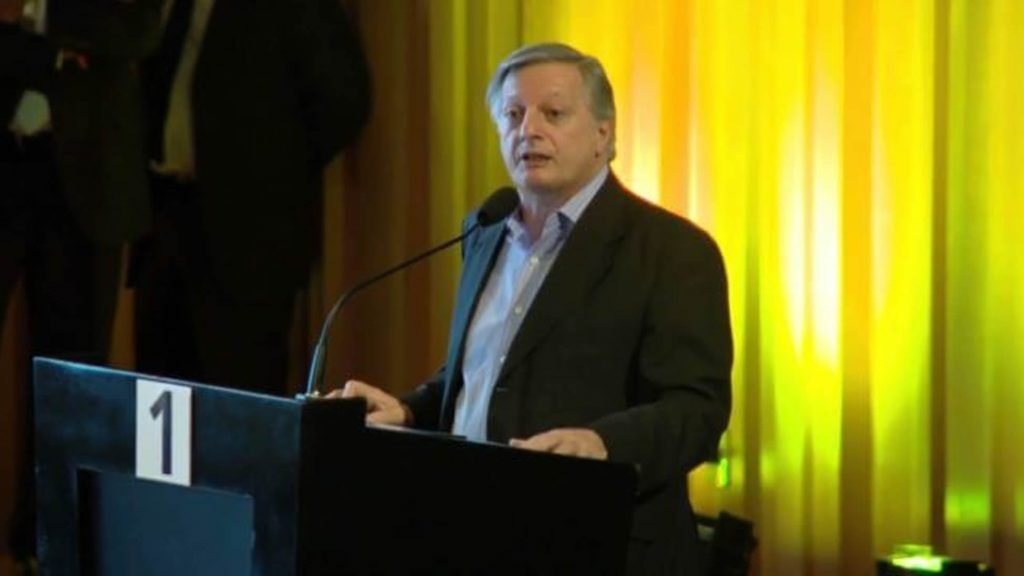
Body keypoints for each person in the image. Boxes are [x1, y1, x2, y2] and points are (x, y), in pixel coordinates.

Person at [331, 43, 733, 575]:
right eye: (513, 114)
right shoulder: (485, 230)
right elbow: (483, 373)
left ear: (603, 133)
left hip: (600, 541)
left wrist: (601, 443)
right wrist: (409, 411)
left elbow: (697, 410)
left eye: (554, 113)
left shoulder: (672, 251)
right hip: (473, 532)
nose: (529, 130)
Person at [133, 0, 372, 395]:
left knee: (240, 392)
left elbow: (346, 100)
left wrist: (275, 174)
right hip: (167, 219)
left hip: (249, 239)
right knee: (161, 393)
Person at [2, 0, 162, 568]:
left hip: (89, 178)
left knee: (72, 379)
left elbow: (136, 27)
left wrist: (36, 15)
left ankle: (47, 548)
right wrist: (60, 52)